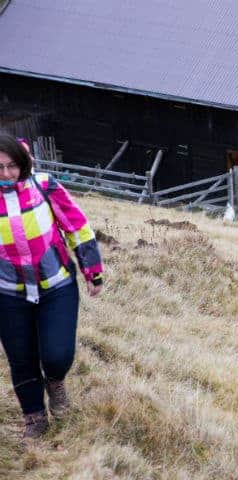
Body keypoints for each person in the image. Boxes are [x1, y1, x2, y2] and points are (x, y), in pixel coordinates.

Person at [0, 132, 104, 443]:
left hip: (56, 285)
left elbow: (76, 225)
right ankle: (35, 418)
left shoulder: (44, 186)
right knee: (21, 359)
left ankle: (55, 381)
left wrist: (92, 271)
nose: (5, 174)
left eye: (11, 166)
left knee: (56, 354)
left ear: (23, 163)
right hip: (9, 293)